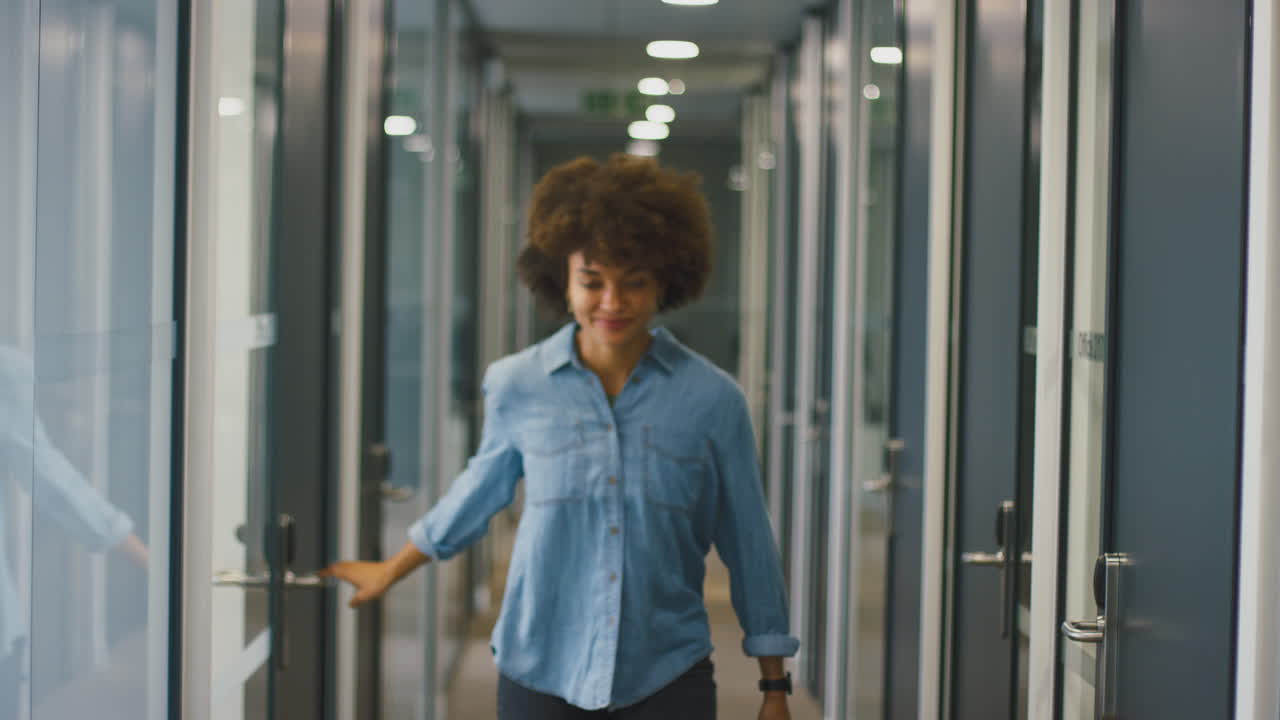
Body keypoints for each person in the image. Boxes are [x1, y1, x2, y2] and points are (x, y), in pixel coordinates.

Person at [323, 154, 798, 719]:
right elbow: (480, 490)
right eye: (592, 282)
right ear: (562, 280)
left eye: (634, 283)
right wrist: (393, 567)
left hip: (666, 673)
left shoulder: (713, 400)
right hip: (540, 667)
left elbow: (748, 539)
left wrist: (774, 685)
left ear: (666, 282)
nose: (612, 304)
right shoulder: (517, 384)